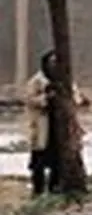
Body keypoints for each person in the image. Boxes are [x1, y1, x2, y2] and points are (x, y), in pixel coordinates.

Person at [25, 51, 60, 196]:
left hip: (59, 127)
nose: (54, 65)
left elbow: (74, 96)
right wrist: (46, 98)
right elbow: (29, 100)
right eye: (51, 62)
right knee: (38, 160)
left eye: (56, 62)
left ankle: (54, 188)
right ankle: (37, 189)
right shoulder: (36, 81)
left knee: (58, 161)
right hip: (42, 125)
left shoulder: (64, 79)